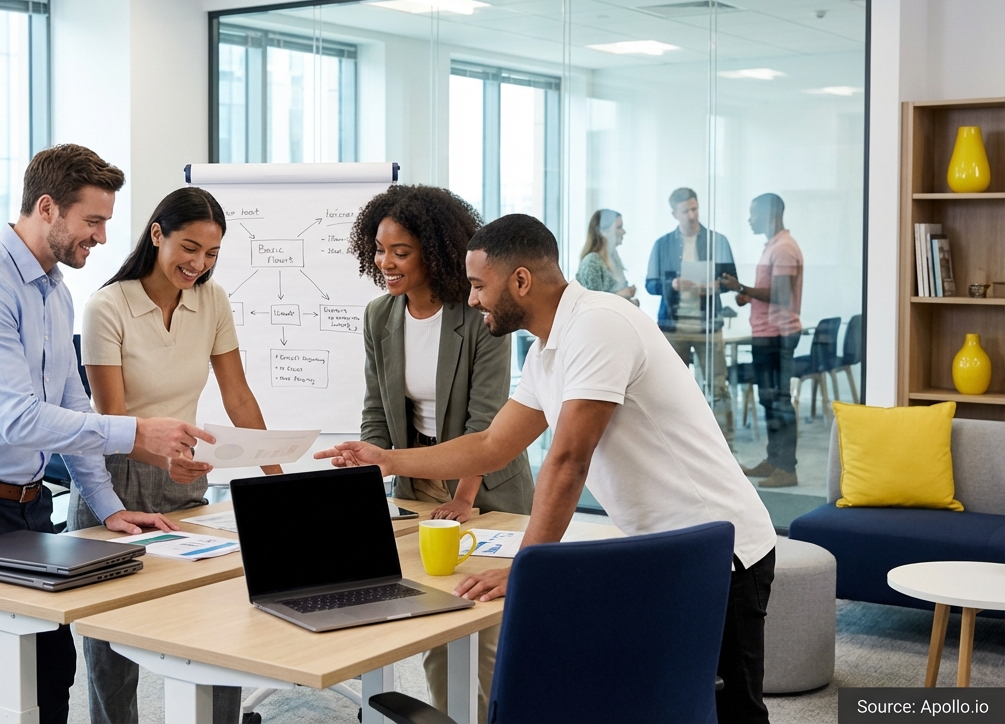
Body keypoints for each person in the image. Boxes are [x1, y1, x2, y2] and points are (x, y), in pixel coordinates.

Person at [318, 213, 777, 724]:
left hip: (723, 549)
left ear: (520, 280)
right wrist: (387, 459)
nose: (472, 300)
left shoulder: (599, 325)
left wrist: (527, 568)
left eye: (477, 285)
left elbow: (568, 459)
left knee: (730, 709)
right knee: (662, 701)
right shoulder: (545, 352)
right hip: (664, 549)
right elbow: (492, 445)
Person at [0, 144, 213, 724]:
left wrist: (108, 506)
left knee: (53, 671)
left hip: (26, 507)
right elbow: (19, 418)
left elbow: (71, 404)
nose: (100, 238)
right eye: (92, 221)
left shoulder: (53, 289)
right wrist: (137, 432)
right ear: (47, 208)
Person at [74, 186, 279, 724]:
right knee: (113, 649)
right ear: (158, 235)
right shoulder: (107, 306)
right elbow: (113, 420)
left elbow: (237, 393)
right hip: (114, 482)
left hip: (186, 482)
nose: (199, 264)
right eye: (189, 248)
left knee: (215, 628)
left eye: (211, 254)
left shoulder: (211, 299)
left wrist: (275, 474)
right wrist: (161, 458)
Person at [348, 185, 534, 723]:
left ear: (434, 250)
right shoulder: (380, 316)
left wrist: (464, 497)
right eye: (379, 249)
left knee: (489, 626)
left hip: (485, 483)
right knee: (433, 619)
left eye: (400, 251)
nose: (385, 262)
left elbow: (488, 425)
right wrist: (366, 462)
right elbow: (377, 412)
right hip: (415, 483)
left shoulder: (479, 315)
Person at [720, 193, 803, 489]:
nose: (749, 218)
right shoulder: (773, 247)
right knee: (770, 400)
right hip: (767, 333)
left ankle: (786, 469)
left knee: (778, 401)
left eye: (753, 213)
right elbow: (771, 290)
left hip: (777, 335)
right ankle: (774, 460)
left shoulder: (783, 249)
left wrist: (741, 287)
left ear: (769, 213)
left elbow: (780, 294)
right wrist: (748, 294)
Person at [645, 187, 738, 444]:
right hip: (673, 327)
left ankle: (725, 445)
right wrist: (672, 285)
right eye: (686, 211)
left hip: (708, 326)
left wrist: (710, 287)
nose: (692, 215)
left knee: (718, 387)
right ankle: (676, 444)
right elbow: (650, 284)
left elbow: (732, 281)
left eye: (695, 208)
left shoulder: (717, 241)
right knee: (671, 390)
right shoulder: (663, 245)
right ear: (674, 213)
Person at [576, 208, 638, 306]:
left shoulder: (614, 258)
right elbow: (592, 305)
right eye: (619, 227)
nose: (624, 232)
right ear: (602, 231)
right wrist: (622, 295)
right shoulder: (591, 262)